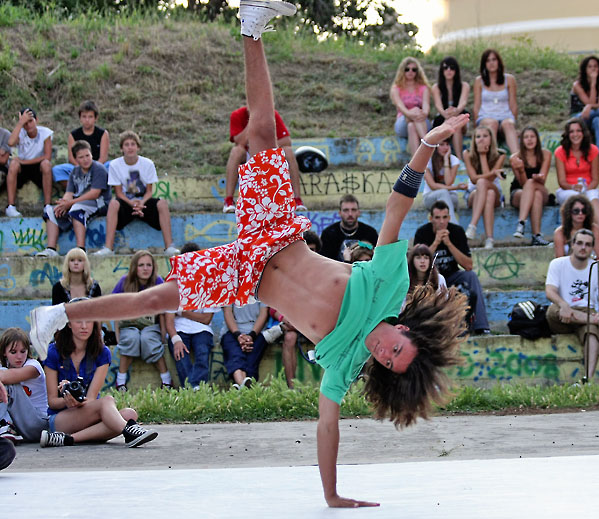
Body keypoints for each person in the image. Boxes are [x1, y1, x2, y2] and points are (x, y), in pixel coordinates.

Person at [29, 6, 468, 505]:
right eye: (396, 348)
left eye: (387, 362)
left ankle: (58, 313)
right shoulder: (391, 286)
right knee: (263, 133)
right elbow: (395, 207)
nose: (383, 352)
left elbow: (327, 426)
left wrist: (333, 496)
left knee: (154, 299)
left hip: (245, 276)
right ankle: (251, 24)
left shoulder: (345, 363)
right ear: (404, 329)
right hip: (277, 233)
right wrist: (426, 146)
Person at [40, 313, 157, 448]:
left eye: (89, 321)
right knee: (107, 401)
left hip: (89, 413)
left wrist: (78, 400)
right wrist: (67, 400)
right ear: (69, 324)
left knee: (129, 414)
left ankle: (68, 439)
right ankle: (129, 432)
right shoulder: (54, 351)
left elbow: (90, 399)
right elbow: (52, 402)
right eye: (78, 321)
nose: (84, 326)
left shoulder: (102, 352)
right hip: (61, 419)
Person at [93, 131, 180, 257]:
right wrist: (132, 204)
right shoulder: (115, 165)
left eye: (133, 144)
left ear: (138, 147)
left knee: (162, 203)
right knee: (113, 204)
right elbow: (118, 192)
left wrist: (141, 203)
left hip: (143, 202)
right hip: (126, 202)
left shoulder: (147, 163)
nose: (130, 147)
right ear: (122, 148)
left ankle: (169, 246)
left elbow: (150, 191)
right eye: (126, 144)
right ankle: (108, 248)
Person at [545, 229, 599, 383]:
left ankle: (587, 380)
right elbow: (550, 291)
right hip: (561, 312)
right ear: (572, 245)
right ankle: (594, 320)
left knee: (591, 333)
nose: (583, 247)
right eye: (580, 243)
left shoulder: (598, 268)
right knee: (552, 310)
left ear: (592, 248)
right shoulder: (558, 264)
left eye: (588, 245)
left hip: (586, 311)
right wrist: (564, 305)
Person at [413, 200, 490, 334]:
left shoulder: (457, 231)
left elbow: (468, 265)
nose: (441, 222)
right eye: (437, 218)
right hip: (430, 279)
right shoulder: (422, 233)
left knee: (470, 276)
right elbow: (418, 263)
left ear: (449, 218)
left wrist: (449, 244)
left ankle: (481, 326)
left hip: (453, 277)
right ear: (431, 219)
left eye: (444, 217)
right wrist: (436, 242)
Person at [223, 107, 305, 213]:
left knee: (288, 151)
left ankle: (297, 200)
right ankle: (229, 201)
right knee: (236, 151)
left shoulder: (272, 114)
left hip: (268, 152)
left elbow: (286, 141)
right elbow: (239, 142)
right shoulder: (237, 115)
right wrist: (252, 121)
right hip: (249, 153)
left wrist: (266, 148)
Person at [111, 250, 174, 391]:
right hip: (128, 326)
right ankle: (120, 382)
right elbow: (113, 307)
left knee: (149, 339)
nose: (145, 268)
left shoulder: (158, 282)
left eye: (148, 265)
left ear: (153, 267)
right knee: (131, 338)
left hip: (152, 326)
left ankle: (167, 381)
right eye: (141, 265)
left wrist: (163, 336)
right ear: (135, 267)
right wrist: (117, 335)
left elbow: (164, 313)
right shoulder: (125, 282)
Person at [37, 140, 111, 257]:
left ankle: (80, 249)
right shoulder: (74, 171)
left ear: (91, 155)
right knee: (51, 210)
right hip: (80, 202)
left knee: (76, 208)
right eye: (81, 157)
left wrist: (71, 203)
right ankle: (51, 249)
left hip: (99, 203)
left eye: (87, 155)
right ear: (76, 159)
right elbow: (69, 192)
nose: (85, 159)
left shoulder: (99, 168)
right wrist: (64, 203)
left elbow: (95, 193)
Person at [166, 243, 220, 390]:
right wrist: (175, 339)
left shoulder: (209, 283)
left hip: (202, 330)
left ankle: (192, 388)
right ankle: (194, 389)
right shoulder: (173, 284)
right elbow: (169, 320)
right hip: (180, 330)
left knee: (202, 353)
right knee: (180, 355)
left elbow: (206, 319)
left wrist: (182, 312)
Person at [554, 118, 599, 244]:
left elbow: (595, 179)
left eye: (578, 131)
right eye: (572, 131)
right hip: (567, 189)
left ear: (583, 133)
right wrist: (574, 187)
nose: (575, 134)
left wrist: (586, 189)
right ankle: (570, 236)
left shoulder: (593, 150)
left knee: (593, 198)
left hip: (588, 187)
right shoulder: (560, 151)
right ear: (568, 134)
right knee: (575, 198)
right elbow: (561, 181)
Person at [0, 328, 48, 442]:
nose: (19, 357)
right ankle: (6, 427)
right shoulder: (3, 367)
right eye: (13, 352)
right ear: (4, 352)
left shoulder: (33, 367)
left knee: (8, 385)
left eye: (23, 351)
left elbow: (8, 377)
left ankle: (4, 424)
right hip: (18, 423)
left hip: (37, 424)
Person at [5, 108, 53, 218]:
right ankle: (11, 207)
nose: (28, 125)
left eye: (30, 121)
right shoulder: (20, 133)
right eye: (25, 123)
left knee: (46, 164)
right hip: (23, 169)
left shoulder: (45, 132)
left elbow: (47, 156)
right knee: (13, 164)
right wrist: (20, 123)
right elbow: (11, 142)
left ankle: (47, 206)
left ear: (36, 120)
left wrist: (24, 162)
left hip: (38, 167)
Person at [51, 100, 111, 189]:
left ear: (95, 118)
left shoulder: (103, 133)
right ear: (80, 118)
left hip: (98, 166)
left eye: (90, 117)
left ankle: (99, 188)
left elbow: (103, 157)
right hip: (79, 167)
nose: (87, 120)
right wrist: (83, 168)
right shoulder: (73, 135)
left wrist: (93, 169)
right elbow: (71, 158)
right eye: (84, 117)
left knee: (112, 165)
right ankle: (77, 190)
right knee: (57, 170)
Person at [463, 125, 505, 248]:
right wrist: (493, 171)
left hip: (494, 189)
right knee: (486, 191)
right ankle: (490, 239)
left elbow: (490, 179)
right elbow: (473, 179)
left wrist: (483, 156)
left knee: (486, 186)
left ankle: (472, 225)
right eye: (478, 137)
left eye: (485, 136)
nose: (481, 139)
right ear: (474, 140)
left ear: (491, 139)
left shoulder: (500, 154)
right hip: (473, 193)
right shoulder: (467, 154)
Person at [509, 126, 551, 245]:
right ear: (521, 140)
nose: (529, 140)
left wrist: (539, 178)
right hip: (519, 191)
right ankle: (536, 236)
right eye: (526, 137)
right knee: (534, 193)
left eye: (532, 136)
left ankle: (521, 223)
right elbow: (523, 184)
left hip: (539, 187)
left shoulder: (545, 154)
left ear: (537, 139)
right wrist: (522, 170)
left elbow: (542, 180)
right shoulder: (515, 158)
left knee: (534, 186)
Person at [473, 49, 519, 155]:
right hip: (486, 116)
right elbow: (476, 106)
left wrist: (514, 121)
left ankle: (516, 158)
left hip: (505, 115)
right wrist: (476, 127)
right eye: (488, 61)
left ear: (499, 61)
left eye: (494, 59)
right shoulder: (479, 81)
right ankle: (491, 157)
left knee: (508, 124)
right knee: (492, 123)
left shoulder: (509, 79)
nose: (491, 63)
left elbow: (513, 104)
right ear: (484, 64)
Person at [570, 56, 599, 160]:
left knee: (598, 120)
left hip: (594, 114)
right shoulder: (577, 85)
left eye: (595, 66)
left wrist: (589, 106)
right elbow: (591, 103)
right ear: (585, 69)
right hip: (579, 116)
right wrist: (593, 84)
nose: (593, 69)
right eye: (590, 67)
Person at [221, 302, 271, 389]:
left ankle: (240, 387)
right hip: (232, 331)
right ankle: (244, 387)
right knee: (235, 355)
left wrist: (251, 336)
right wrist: (238, 335)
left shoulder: (261, 290)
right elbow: (227, 313)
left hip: (257, 331)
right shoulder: (229, 289)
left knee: (251, 360)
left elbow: (264, 313)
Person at [390, 56, 431, 155]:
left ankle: (415, 164)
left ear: (418, 72)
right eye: (407, 69)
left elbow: (426, 105)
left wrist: (424, 113)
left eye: (414, 69)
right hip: (402, 121)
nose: (410, 72)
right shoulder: (396, 88)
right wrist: (411, 113)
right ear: (402, 71)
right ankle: (428, 144)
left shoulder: (423, 88)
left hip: (421, 121)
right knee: (414, 111)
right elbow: (400, 106)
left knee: (412, 126)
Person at [319, 194, 379, 261]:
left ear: (358, 212)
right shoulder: (328, 234)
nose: (350, 214)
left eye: (353, 210)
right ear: (340, 213)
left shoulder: (370, 233)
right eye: (346, 210)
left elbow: (377, 259)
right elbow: (324, 261)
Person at [432, 56, 470, 160]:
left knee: (457, 124)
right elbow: (438, 106)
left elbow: (463, 103)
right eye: (446, 68)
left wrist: (455, 112)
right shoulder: (436, 87)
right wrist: (446, 114)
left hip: (460, 115)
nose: (449, 70)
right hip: (443, 117)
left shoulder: (464, 86)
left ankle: (458, 159)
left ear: (456, 70)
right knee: (451, 124)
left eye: (452, 68)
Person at [422, 137, 466, 216]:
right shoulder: (427, 161)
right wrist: (456, 188)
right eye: (441, 144)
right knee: (443, 193)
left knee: (448, 198)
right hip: (431, 197)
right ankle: (452, 225)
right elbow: (433, 186)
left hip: (450, 196)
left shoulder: (454, 160)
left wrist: (446, 160)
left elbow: (448, 182)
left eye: (447, 144)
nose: (445, 148)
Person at [552, 194, 599, 260]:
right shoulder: (560, 232)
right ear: (569, 212)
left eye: (584, 211)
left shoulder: (594, 229)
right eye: (576, 211)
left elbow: (598, 256)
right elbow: (559, 259)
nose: (580, 213)